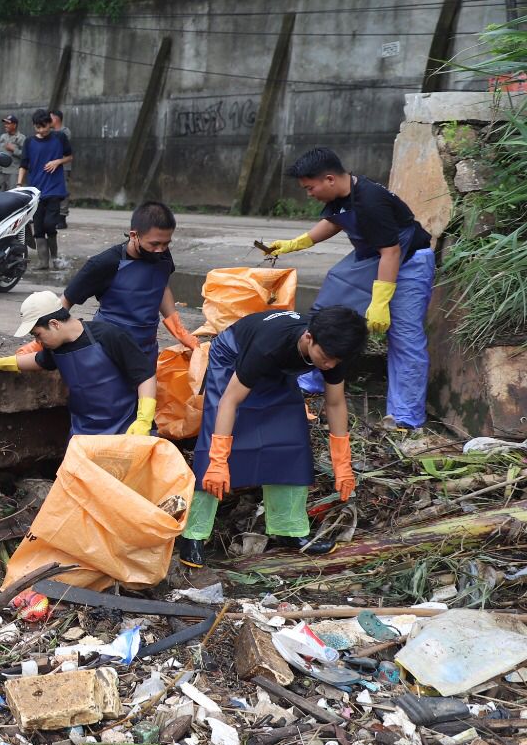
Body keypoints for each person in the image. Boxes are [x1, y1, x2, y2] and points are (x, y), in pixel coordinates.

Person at [178, 306, 367, 568]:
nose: (329, 365)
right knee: (214, 443)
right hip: (233, 358)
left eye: (336, 360)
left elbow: (335, 403)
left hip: (278, 369)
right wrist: (219, 460)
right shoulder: (269, 344)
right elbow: (230, 401)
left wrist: (342, 461)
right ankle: (193, 535)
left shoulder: (333, 349)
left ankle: (289, 530)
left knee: (291, 441)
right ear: (309, 338)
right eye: (325, 357)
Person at [266, 148, 434, 430]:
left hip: (407, 262)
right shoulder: (343, 194)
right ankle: (315, 377)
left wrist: (380, 301)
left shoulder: (370, 201)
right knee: (331, 310)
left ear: (329, 179)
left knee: (404, 335)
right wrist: (297, 243)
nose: (309, 194)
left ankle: (405, 415)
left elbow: (391, 252)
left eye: (310, 187)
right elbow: (334, 221)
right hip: (373, 258)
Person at [0, 289, 156, 437]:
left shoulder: (109, 335)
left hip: (125, 426)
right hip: (84, 431)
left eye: (37, 334)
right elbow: (39, 361)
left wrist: (144, 420)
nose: (37, 341)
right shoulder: (55, 347)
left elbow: (145, 375)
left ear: (54, 324)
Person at [62, 201, 199, 360]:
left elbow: (161, 287)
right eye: (154, 244)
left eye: (166, 243)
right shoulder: (105, 263)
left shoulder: (162, 255)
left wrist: (179, 331)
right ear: (134, 235)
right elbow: (66, 300)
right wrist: (44, 340)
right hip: (108, 350)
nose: (160, 249)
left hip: (146, 349)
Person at [18, 108, 72, 271]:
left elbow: (69, 156)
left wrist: (57, 162)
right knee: (39, 227)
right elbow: (23, 165)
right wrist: (20, 184)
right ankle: (43, 262)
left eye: (44, 126)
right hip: (36, 190)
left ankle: (54, 258)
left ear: (50, 123)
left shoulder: (60, 137)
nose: (41, 130)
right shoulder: (29, 142)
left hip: (55, 189)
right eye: (38, 127)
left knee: (50, 224)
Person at [0, 114, 25, 192]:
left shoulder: (21, 138)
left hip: (13, 172)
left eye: (8, 123)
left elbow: (25, 156)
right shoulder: (2, 137)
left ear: (14, 125)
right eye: (5, 123)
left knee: (11, 195)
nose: (5, 125)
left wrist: (14, 150)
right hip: (0, 172)